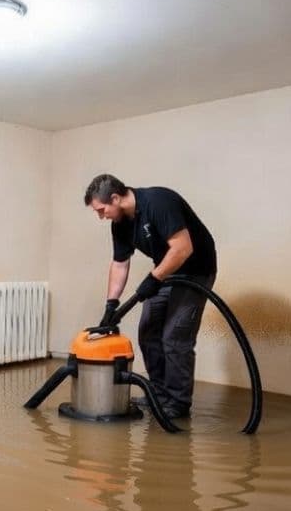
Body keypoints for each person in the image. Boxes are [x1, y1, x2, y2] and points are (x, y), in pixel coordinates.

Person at [84, 173, 216, 419]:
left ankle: (177, 402)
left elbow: (183, 248)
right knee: (148, 331)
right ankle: (158, 393)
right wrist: (111, 305)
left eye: (102, 210)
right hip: (166, 272)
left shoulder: (158, 202)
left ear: (115, 198)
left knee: (174, 337)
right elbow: (120, 264)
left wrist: (154, 279)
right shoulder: (120, 224)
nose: (102, 216)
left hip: (195, 272)